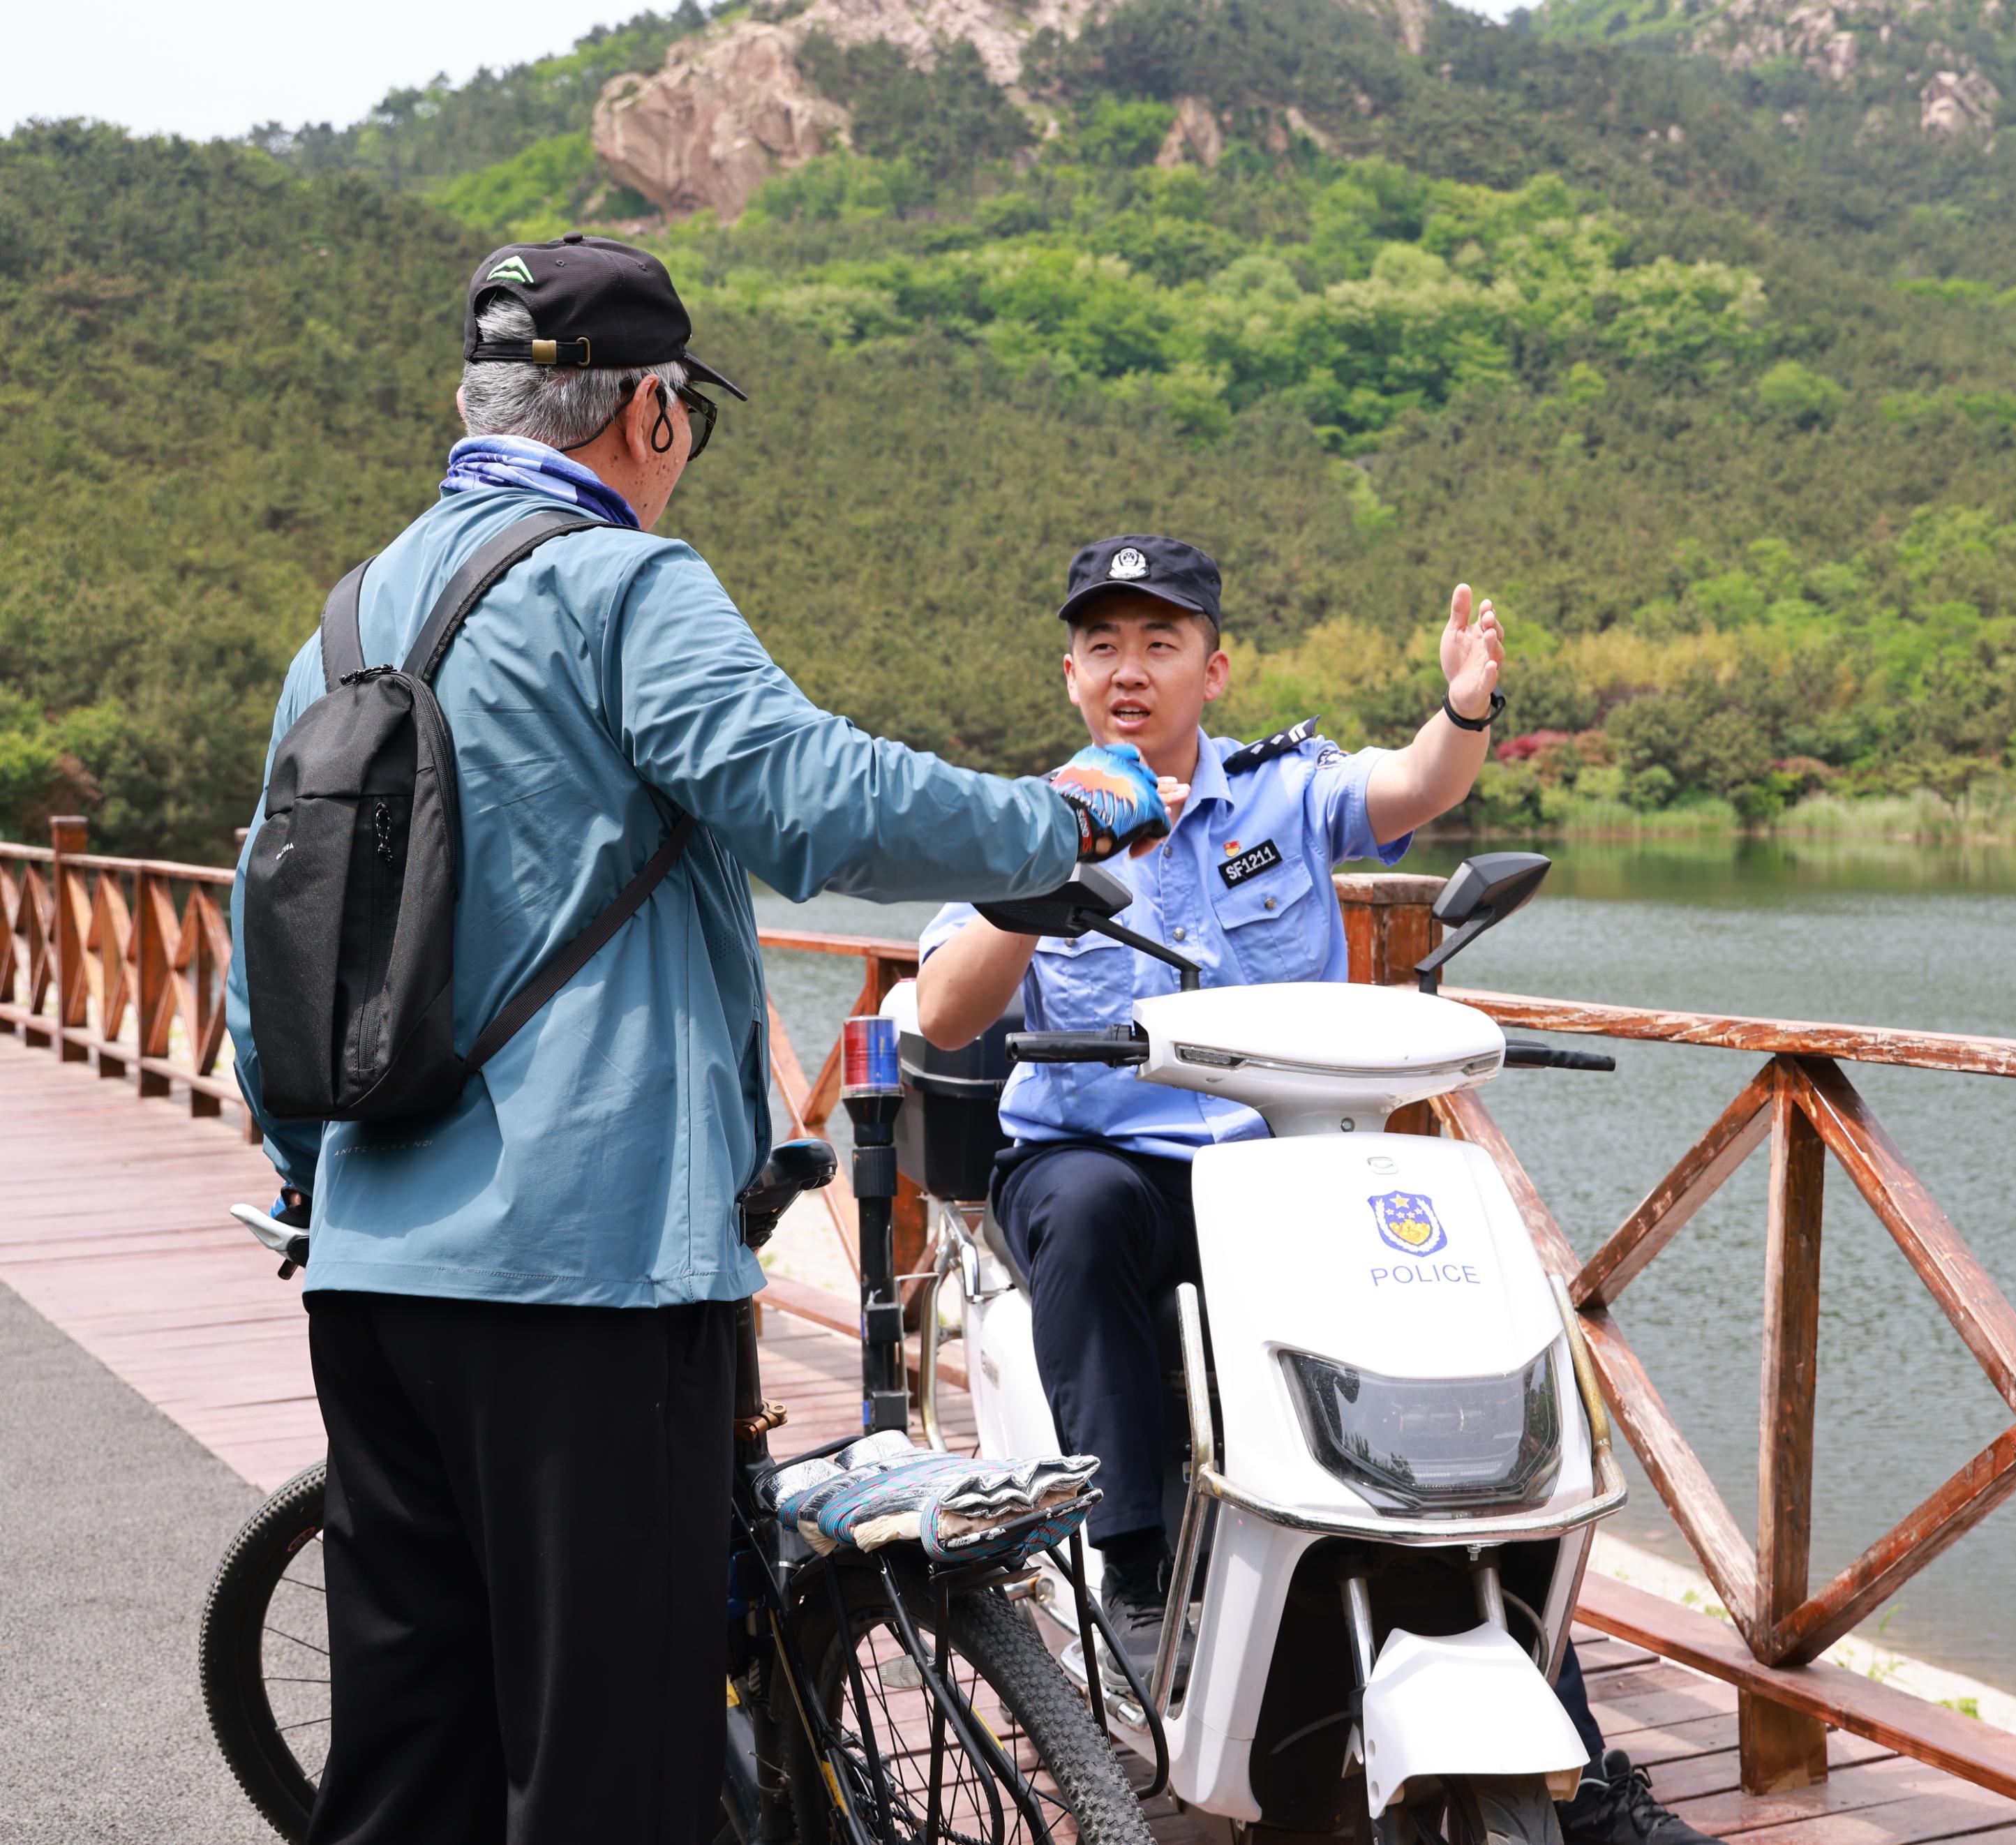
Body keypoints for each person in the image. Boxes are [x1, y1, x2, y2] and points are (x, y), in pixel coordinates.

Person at [225, 237, 1168, 1845]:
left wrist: (330, 1185)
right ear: (651, 412)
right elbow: (815, 802)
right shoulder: (620, 583)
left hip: (373, 1275)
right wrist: (1057, 816)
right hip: (586, 1276)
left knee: (408, 1761)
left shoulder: (348, 620)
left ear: (475, 402)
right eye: (689, 420)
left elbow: (275, 951)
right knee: (613, 1766)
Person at [909, 535, 1719, 1845]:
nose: (1130, 669)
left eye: (1160, 642)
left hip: (1284, 1177)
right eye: (1104, 646)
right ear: (1070, 676)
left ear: (1213, 668)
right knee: (1092, 1211)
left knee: (1439, 1367)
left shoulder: (1283, 791)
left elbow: (1415, 785)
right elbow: (947, 1012)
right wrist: (1040, 868)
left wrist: (1466, 707)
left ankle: (1571, 1757)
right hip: (1101, 1161)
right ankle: (1130, 1565)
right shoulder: (1023, 819)